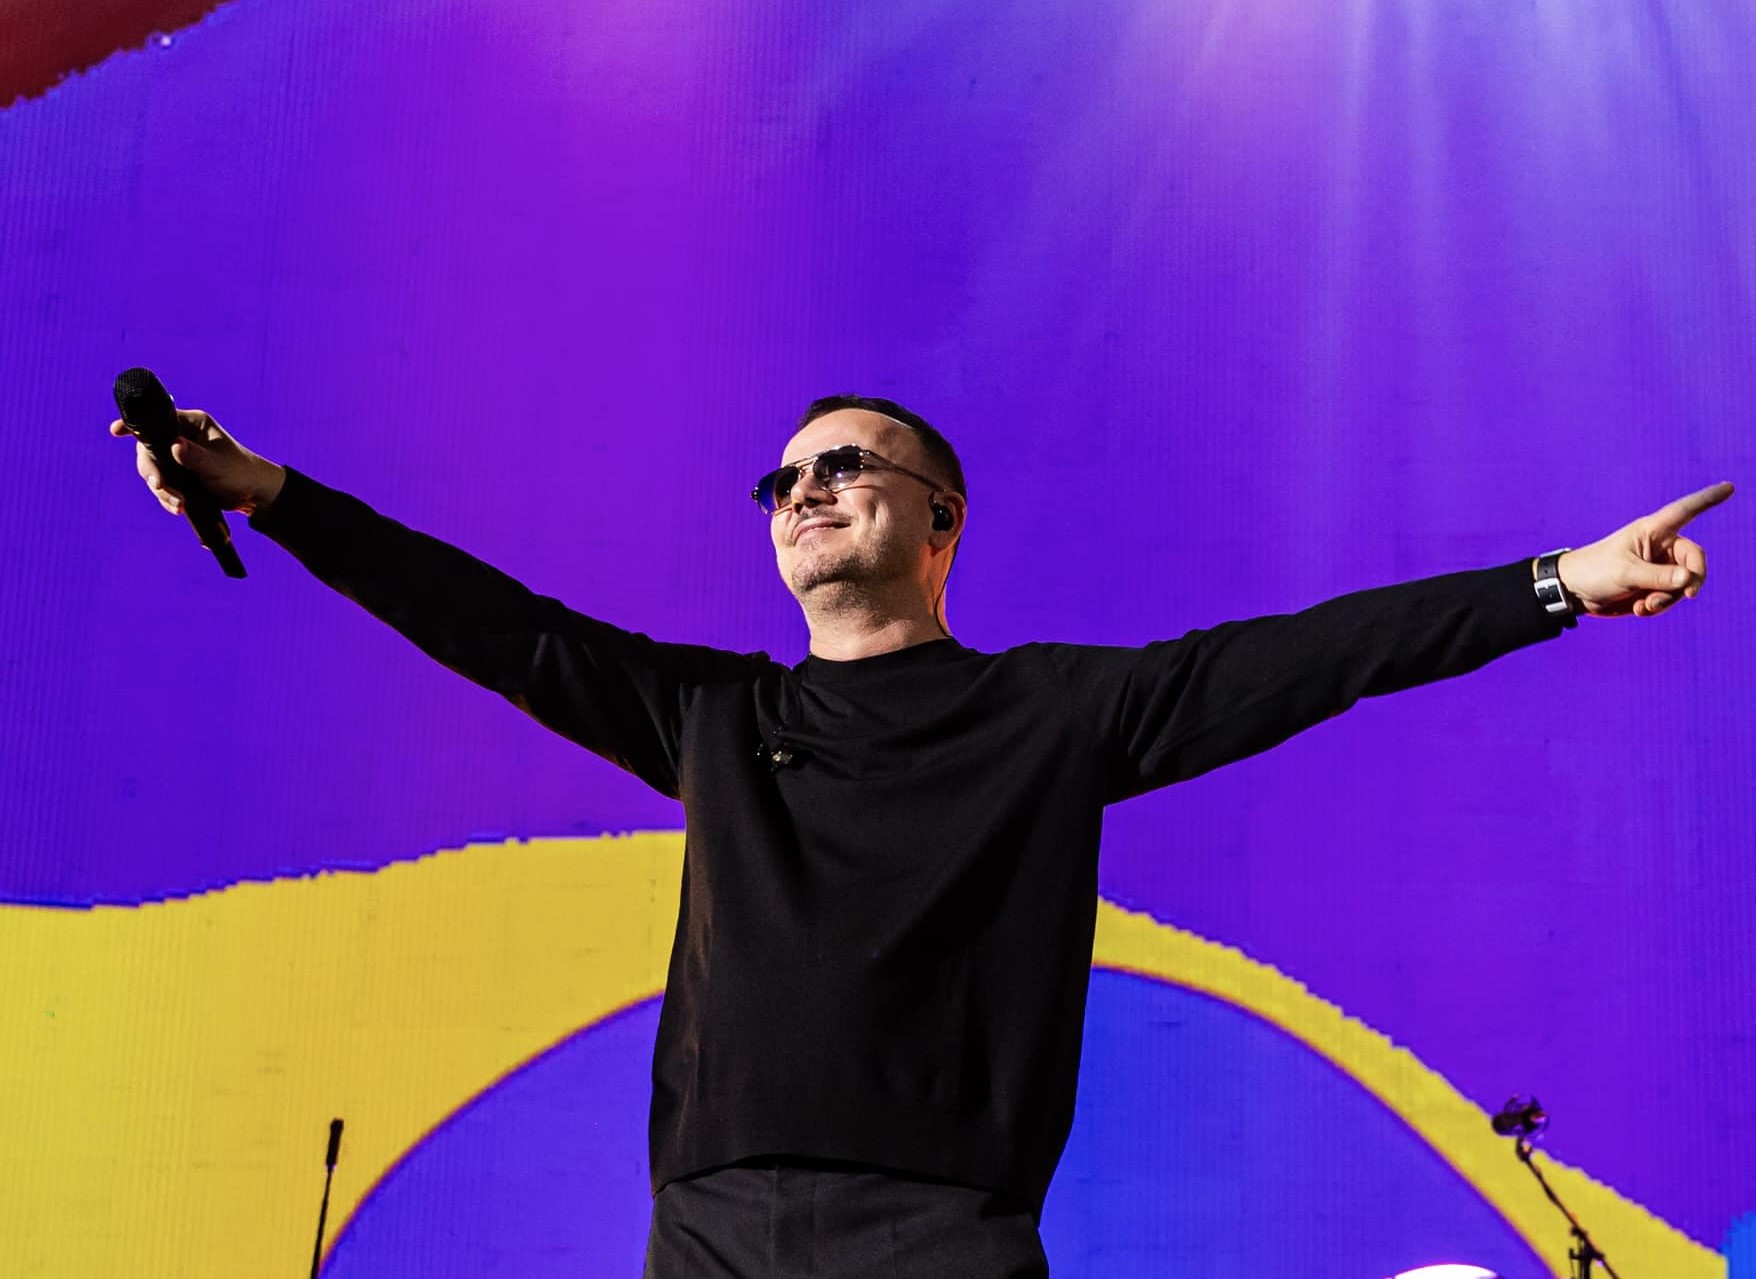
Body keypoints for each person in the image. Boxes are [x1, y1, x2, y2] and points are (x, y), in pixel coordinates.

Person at [113, 396, 1731, 1277]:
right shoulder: (712, 715)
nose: (804, 491)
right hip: (712, 1223)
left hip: (937, 1232)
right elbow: (496, 627)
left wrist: (1557, 585)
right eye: (782, 478)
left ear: (940, 522)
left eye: (846, 466)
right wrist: (272, 493)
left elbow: (1307, 657)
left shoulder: (1048, 713)